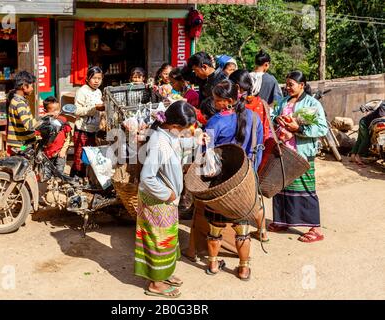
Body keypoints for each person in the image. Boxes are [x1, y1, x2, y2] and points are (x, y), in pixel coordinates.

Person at [197, 80, 264, 281]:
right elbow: (258, 149)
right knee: (242, 229)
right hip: (245, 180)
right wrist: (251, 172)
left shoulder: (215, 122)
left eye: (217, 100)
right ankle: (243, 268)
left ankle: (213, 264)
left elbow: (205, 153)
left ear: (228, 101)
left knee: (215, 227)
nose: (214, 103)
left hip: (221, 183)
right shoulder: (254, 118)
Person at [136, 101, 196, 298]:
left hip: (166, 201)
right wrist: (167, 194)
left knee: (167, 239)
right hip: (158, 201)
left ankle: (164, 274)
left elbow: (180, 144)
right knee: (158, 241)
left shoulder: (167, 134)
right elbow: (146, 178)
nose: (186, 133)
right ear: (174, 126)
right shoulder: (159, 143)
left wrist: (196, 140)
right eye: (184, 130)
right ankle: (155, 283)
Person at [268, 71, 328, 243]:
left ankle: (315, 229)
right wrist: (277, 119)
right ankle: (282, 221)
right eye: (286, 84)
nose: (287, 88)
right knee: (282, 186)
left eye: (291, 84)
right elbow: (273, 118)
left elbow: (322, 128)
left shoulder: (312, 103)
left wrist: (298, 129)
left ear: (302, 85)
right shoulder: (283, 102)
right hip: (283, 151)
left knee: (305, 188)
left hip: (301, 154)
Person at [71, 66, 104, 179]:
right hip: (82, 129)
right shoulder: (82, 91)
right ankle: (76, 179)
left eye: (99, 78)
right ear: (87, 78)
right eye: (94, 78)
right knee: (79, 156)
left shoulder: (99, 92)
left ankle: (88, 178)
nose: (96, 81)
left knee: (90, 157)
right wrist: (94, 108)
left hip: (94, 129)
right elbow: (77, 111)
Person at [230, 69, 270, 147]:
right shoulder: (262, 103)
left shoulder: (232, 105)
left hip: (235, 152)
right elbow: (265, 132)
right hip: (256, 152)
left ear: (237, 87)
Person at [6, 71, 37, 155]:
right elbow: (29, 125)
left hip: (20, 143)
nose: (32, 88)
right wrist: (41, 119)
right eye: (31, 86)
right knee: (25, 160)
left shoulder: (15, 100)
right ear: (24, 86)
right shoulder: (20, 103)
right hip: (22, 145)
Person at [42, 96, 72, 174]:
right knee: (47, 174)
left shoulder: (62, 120)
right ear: (45, 111)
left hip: (59, 153)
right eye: (53, 110)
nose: (56, 112)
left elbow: (68, 137)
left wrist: (63, 150)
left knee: (59, 174)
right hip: (47, 153)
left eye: (58, 109)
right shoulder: (43, 123)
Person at [350, 101, 385, 165]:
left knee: (360, 140)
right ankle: (358, 157)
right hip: (364, 123)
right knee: (366, 140)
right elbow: (379, 111)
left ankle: (352, 156)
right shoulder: (381, 106)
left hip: (366, 123)